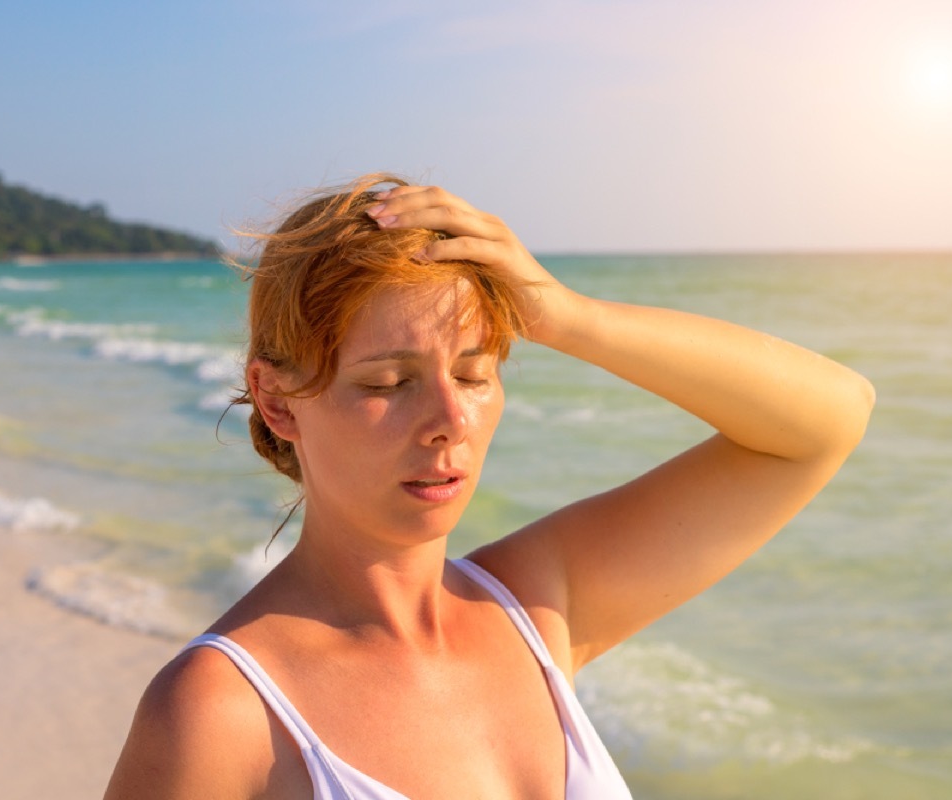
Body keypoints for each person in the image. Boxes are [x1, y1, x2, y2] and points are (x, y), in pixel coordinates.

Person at [104, 175, 875, 799]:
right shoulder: (221, 714)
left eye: (475, 373)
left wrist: (569, 316)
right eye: (390, 381)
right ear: (276, 400)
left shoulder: (538, 610)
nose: (449, 419)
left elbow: (827, 421)